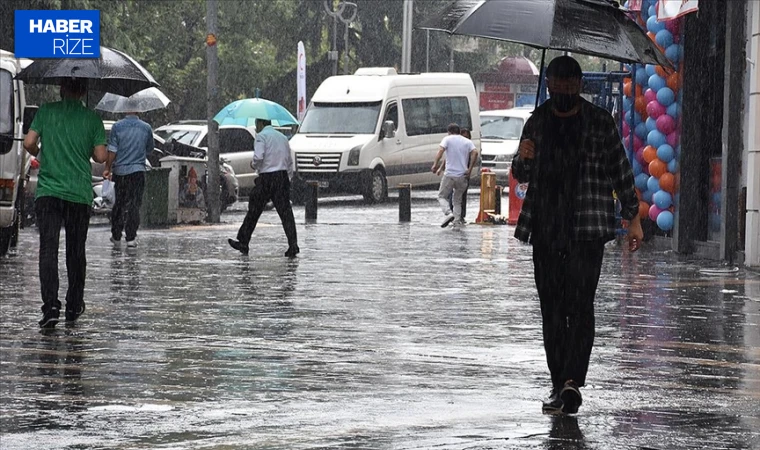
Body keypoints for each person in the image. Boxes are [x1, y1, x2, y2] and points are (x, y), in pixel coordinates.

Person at [511, 56, 643, 414]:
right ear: (550, 84)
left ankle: (572, 382)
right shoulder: (536, 122)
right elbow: (519, 173)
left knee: (581, 305)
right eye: (557, 84)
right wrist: (523, 157)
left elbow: (620, 170)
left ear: (579, 85)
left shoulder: (599, 122)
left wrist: (633, 217)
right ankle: (559, 381)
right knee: (552, 308)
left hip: (587, 230)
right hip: (546, 229)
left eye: (570, 84)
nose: (564, 90)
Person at [23, 78, 108, 329]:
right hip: (78, 194)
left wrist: (44, 154)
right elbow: (101, 156)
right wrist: (88, 149)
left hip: (48, 191)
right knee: (75, 251)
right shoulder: (92, 119)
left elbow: (29, 143)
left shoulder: (46, 111)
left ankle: (50, 306)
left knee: (48, 249)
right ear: (83, 91)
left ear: (61, 89)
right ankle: (73, 304)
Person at [228, 118, 299, 257]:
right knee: (286, 214)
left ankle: (243, 241)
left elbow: (258, 157)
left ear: (260, 123)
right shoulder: (283, 138)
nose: (256, 128)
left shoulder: (261, 137)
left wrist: (254, 165)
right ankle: (293, 244)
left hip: (267, 179)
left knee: (254, 211)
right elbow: (289, 161)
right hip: (282, 177)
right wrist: (288, 178)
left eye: (256, 124)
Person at [103, 112, 154, 248]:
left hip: (120, 173)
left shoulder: (117, 127)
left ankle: (116, 235)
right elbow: (150, 149)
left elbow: (112, 150)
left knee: (119, 203)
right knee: (135, 205)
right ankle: (131, 237)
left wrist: (107, 167)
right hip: (138, 172)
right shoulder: (146, 128)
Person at [431, 123, 477, 228]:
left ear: (449, 132)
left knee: (441, 196)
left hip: (450, 174)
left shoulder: (447, 139)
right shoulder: (467, 142)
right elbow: (475, 153)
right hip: (462, 175)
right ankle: (456, 221)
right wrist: (469, 170)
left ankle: (448, 213)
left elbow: (441, 151)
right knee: (457, 200)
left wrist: (435, 164)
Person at [446, 128, 475, 221]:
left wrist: (469, 170)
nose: (465, 138)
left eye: (467, 137)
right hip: (453, 173)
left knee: (462, 195)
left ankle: (460, 215)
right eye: (463, 136)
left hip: (464, 174)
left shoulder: (469, 147)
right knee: (451, 194)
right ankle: (452, 214)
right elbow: (447, 157)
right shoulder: (457, 146)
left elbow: (474, 157)